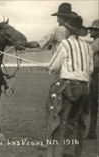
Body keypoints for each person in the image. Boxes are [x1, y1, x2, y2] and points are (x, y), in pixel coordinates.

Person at [46, 15, 93, 157]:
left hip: (69, 86)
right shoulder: (87, 46)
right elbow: (90, 69)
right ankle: (70, 153)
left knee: (59, 122)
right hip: (84, 88)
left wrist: (50, 68)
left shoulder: (65, 44)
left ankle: (58, 154)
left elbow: (53, 66)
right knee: (74, 122)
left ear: (68, 30)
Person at [87, 19, 99, 139]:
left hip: (97, 76)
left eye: (93, 29)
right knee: (93, 104)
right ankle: (92, 132)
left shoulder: (97, 43)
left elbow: (87, 55)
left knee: (94, 104)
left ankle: (92, 131)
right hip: (95, 75)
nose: (90, 31)